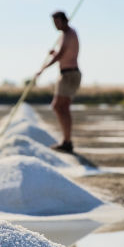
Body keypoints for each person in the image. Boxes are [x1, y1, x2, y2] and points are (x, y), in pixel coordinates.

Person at [35, 10, 81, 153]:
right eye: (54, 23)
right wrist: (54, 54)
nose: (55, 25)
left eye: (57, 22)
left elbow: (61, 54)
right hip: (67, 74)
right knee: (60, 107)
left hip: (69, 75)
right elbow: (64, 55)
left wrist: (43, 68)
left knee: (60, 107)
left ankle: (67, 141)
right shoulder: (65, 35)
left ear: (64, 20)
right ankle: (66, 141)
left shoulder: (69, 34)